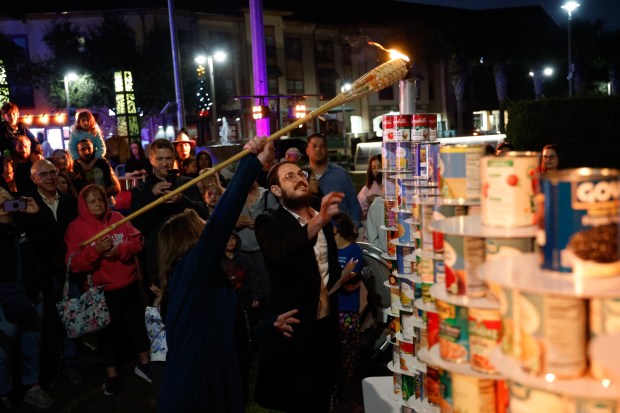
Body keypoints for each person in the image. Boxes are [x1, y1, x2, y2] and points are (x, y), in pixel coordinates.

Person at [158, 137, 300, 412]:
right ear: (189, 240)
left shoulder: (204, 278)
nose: (208, 225)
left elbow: (224, 336)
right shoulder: (190, 273)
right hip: (195, 396)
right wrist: (251, 164)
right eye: (203, 225)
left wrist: (264, 329)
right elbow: (221, 221)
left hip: (214, 389)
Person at [254, 160, 358, 413]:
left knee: (323, 393)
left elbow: (325, 267)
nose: (300, 178)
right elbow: (279, 255)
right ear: (276, 191)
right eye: (289, 176)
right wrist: (320, 219)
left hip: (325, 323)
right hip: (294, 325)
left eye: (301, 173)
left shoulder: (319, 216)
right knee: (297, 398)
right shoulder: (269, 222)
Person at [64, 184, 151, 396]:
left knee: (137, 325)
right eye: (92, 201)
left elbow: (137, 241)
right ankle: (112, 375)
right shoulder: (76, 229)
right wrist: (96, 252)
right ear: (84, 205)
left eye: (101, 199)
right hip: (102, 292)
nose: (98, 204)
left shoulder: (118, 218)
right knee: (107, 335)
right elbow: (73, 263)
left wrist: (120, 250)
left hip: (129, 285)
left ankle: (145, 364)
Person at [28, 160, 82, 387]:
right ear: (34, 178)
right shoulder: (28, 204)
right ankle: (51, 367)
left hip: (69, 270)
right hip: (42, 273)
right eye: (44, 174)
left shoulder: (70, 202)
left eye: (53, 172)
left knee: (72, 319)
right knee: (48, 322)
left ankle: (70, 364)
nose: (50, 177)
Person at [0, 187, 54, 410]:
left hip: (31, 295)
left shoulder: (25, 223)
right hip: (4, 301)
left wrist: (37, 213)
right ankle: (3, 395)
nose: (3, 198)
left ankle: (32, 387)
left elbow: (51, 240)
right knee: (2, 352)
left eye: (5, 194)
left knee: (32, 344)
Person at [130, 138, 208, 290]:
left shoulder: (187, 183)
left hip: (187, 255)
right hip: (157, 260)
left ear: (174, 159)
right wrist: (153, 196)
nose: (164, 163)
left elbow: (203, 214)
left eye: (168, 158)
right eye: (159, 159)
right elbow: (136, 224)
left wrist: (181, 200)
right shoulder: (141, 190)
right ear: (151, 159)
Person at [331, 212, 364, 407]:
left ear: (335, 230)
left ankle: (343, 395)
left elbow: (352, 284)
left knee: (346, 356)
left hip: (347, 312)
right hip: (330, 310)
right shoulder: (328, 251)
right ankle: (332, 394)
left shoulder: (355, 252)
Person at [305, 133, 362, 229]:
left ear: (327, 149)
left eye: (322, 146)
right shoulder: (301, 176)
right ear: (307, 151)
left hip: (340, 233)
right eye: (314, 146)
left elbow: (353, 203)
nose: (318, 149)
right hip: (312, 234)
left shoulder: (341, 173)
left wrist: (354, 226)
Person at [71, 138, 121, 204]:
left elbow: (117, 188)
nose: (86, 152)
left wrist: (98, 196)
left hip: (105, 201)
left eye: (89, 148)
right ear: (78, 151)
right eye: (82, 149)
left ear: (93, 149)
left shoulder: (102, 163)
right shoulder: (75, 166)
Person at [357, 154, 383, 226]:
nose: (377, 170)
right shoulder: (366, 190)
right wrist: (367, 202)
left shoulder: (396, 186)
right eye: (373, 168)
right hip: (372, 230)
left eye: (380, 166)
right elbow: (357, 214)